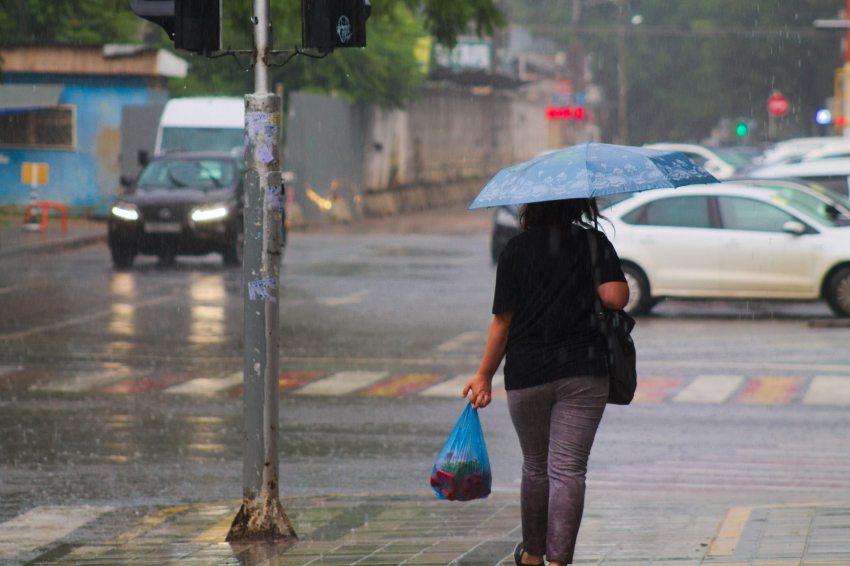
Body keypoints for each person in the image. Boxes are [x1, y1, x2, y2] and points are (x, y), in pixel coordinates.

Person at [463, 198, 629, 566]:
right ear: (577, 205)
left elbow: (503, 321)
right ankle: (558, 562)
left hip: (527, 372)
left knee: (535, 466)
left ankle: (533, 555)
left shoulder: (515, 250)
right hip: (583, 369)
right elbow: (614, 298)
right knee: (568, 468)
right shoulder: (593, 242)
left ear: (531, 209)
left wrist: (484, 375)